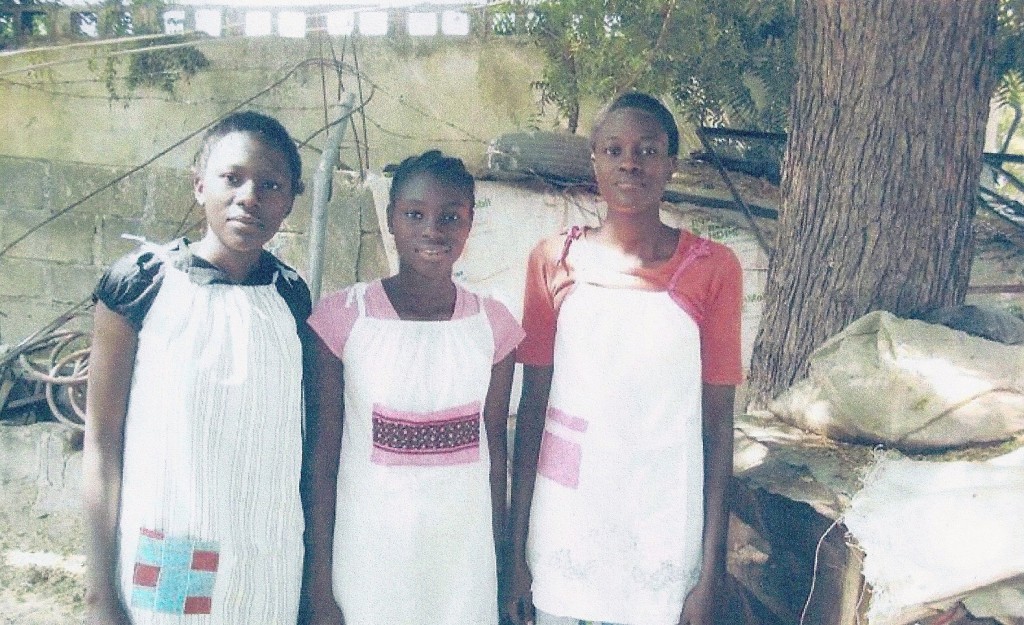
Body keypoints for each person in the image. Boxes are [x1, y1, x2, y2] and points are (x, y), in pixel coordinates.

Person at [507, 92, 743, 625]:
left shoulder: (714, 268)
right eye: (613, 149)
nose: (629, 163)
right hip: (566, 528)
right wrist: (516, 556)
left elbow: (718, 423)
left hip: (660, 534)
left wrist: (711, 573)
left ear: (671, 164)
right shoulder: (552, 260)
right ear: (594, 158)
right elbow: (533, 409)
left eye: (647, 150)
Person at [82, 111, 311, 624]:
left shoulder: (291, 297)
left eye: (270, 184)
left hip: (267, 567)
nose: (249, 195)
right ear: (199, 184)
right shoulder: (143, 287)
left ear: (291, 198)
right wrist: (100, 594)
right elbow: (102, 442)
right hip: (172, 561)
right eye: (233, 178)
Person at [301, 150, 524, 625]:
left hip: (462, 563)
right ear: (390, 219)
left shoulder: (493, 324)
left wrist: (503, 559)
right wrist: (317, 577)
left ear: (469, 225)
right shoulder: (343, 318)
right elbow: (322, 456)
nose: (432, 229)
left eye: (451, 217)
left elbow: (495, 448)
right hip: (368, 557)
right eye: (414, 214)